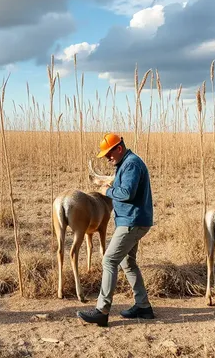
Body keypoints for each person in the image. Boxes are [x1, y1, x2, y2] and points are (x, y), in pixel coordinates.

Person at [77, 133, 154, 327]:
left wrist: (105, 190)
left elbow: (127, 193)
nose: (107, 158)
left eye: (109, 154)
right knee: (128, 262)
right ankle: (143, 306)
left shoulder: (131, 165)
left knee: (109, 260)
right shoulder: (126, 163)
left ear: (119, 148)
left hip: (132, 222)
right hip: (132, 220)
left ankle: (102, 311)